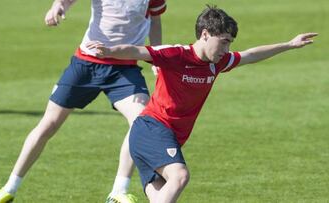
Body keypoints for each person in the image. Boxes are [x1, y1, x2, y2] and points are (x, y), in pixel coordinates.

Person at [91, 5, 318, 203]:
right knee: (180, 176)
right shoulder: (176, 54)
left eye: (230, 43)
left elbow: (250, 54)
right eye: (224, 42)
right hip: (152, 129)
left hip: (168, 138)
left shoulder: (217, 63)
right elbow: (137, 51)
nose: (226, 50)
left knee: (161, 198)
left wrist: (289, 45)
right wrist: (109, 51)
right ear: (206, 34)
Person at [0, 0, 167, 202]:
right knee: (49, 123)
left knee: (141, 121)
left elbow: (155, 20)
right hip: (86, 64)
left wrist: (156, 56)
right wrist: (58, 6)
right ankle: (9, 188)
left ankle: (118, 192)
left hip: (124, 69)